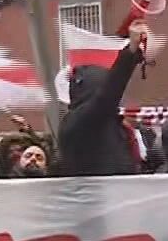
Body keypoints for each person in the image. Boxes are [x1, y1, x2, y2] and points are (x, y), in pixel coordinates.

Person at [57, 23, 148, 177]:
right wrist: (130, 52)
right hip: (93, 191)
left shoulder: (115, 125)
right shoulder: (75, 123)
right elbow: (105, 98)